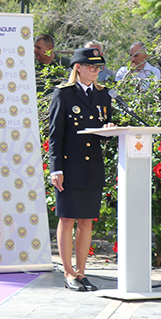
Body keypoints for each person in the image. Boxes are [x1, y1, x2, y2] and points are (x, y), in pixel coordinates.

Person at [49, 47, 114, 292]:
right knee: (67, 219)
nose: (96, 72)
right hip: (69, 165)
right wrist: (56, 169)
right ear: (78, 67)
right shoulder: (63, 94)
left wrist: (109, 128)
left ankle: (82, 272)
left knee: (86, 221)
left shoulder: (103, 95)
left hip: (92, 166)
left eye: (98, 68)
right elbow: (55, 135)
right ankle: (68, 272)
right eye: (91, 67)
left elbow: (104, 132)